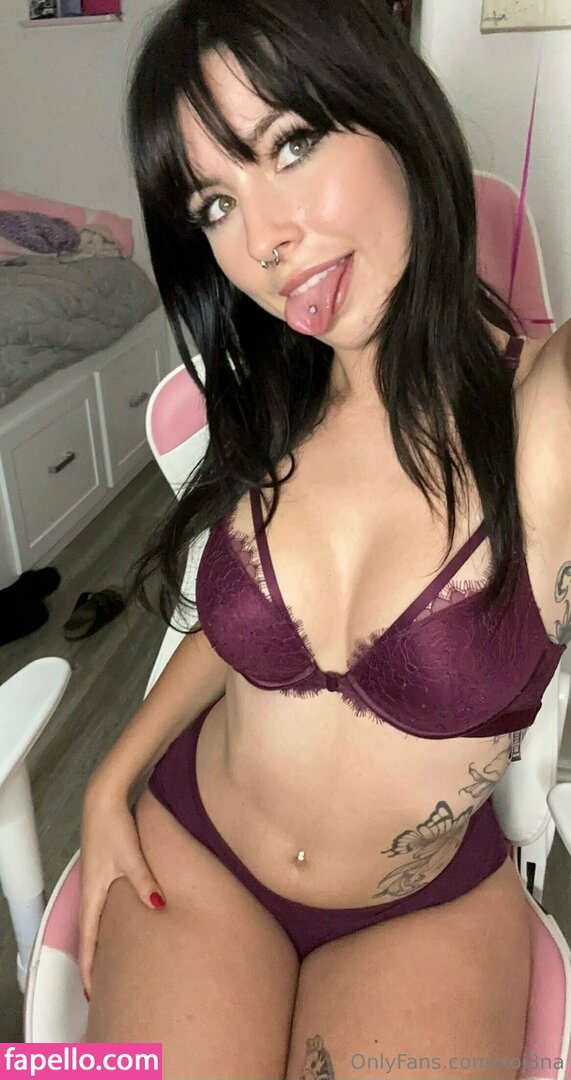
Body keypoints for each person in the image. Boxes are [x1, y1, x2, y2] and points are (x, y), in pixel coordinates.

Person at [79, 1, 571, 1077]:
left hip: (425, 911)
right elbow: (239, 634)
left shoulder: (544, 415)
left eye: (291, 144)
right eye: (215, 203)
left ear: (393, 111)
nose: (262, 241)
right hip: (195, 857)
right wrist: (108, 777)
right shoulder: (274, 396)